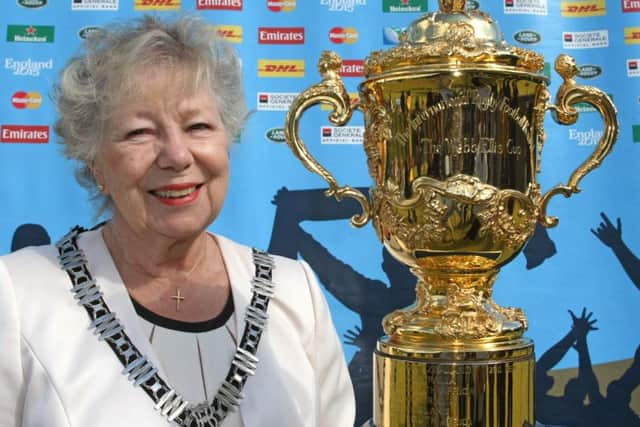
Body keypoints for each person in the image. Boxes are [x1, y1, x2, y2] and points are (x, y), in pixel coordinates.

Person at [0, 15, 355, 427]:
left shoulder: (295, 294)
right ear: (95, 162)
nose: (177, 155)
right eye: (139, 133)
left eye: (197, 126)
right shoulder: (18, 296)